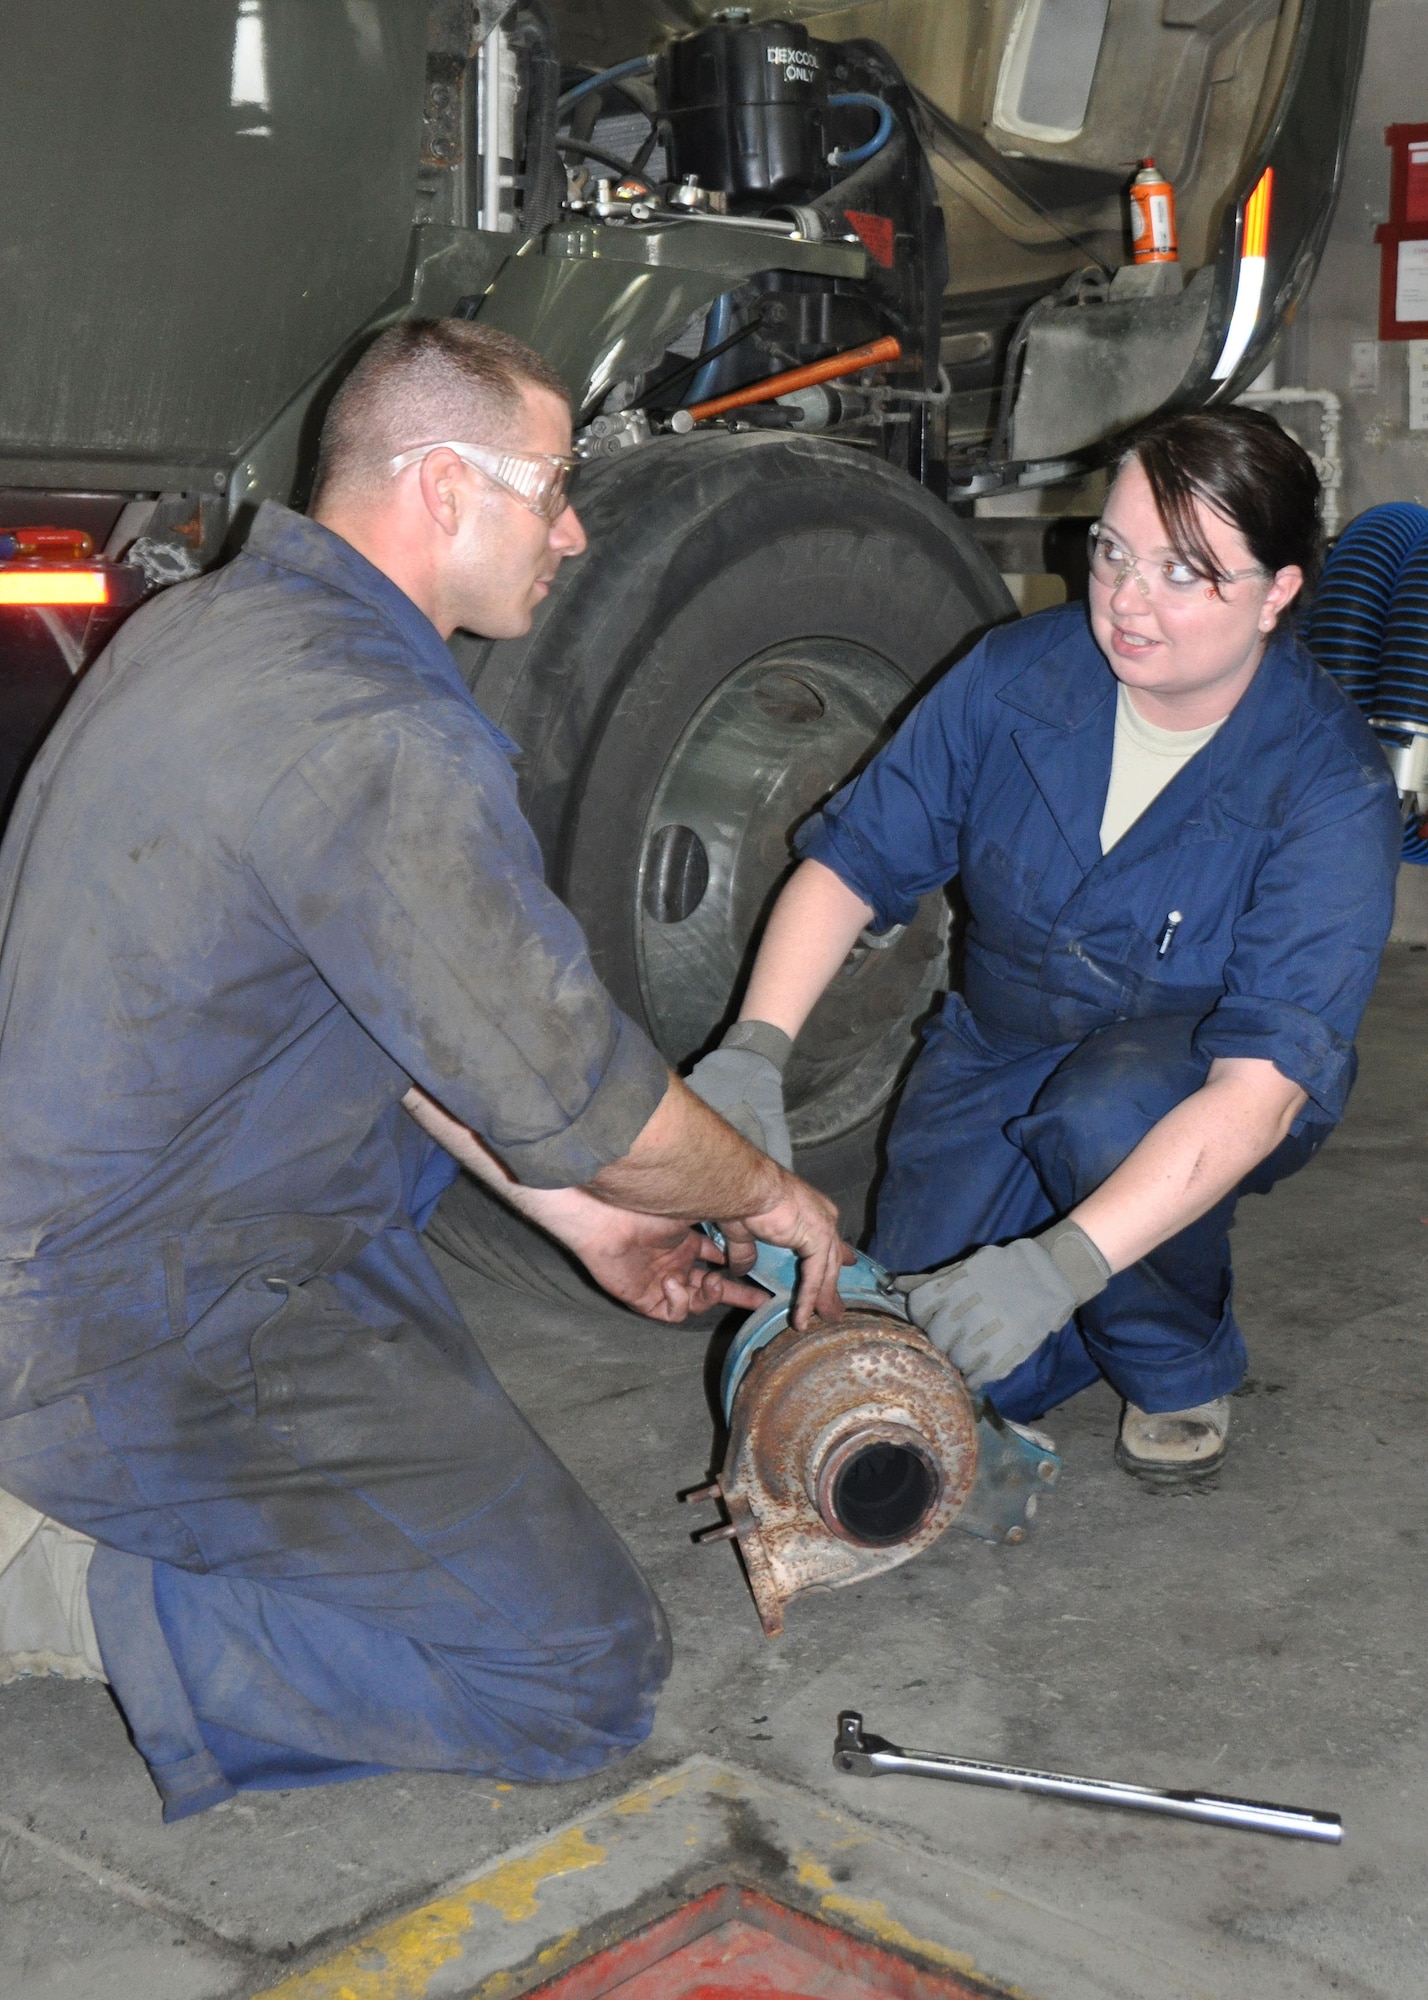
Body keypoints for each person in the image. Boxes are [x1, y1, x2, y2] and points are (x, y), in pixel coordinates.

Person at [0, 319, 848, 1820]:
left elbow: (394, 1013)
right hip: (145, 1318)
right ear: (446, 488)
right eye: (555, 486)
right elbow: (584, 1093)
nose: (575, 529)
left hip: (193, 1230)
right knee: (578, 1672)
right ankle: (57, 1589)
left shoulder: (217, 630)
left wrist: (589, 1220)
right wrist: (769, 1194)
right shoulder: (374, 735)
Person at [691, 408, 1401, 1484]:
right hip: (1001, 1041)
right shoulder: (1013, 678)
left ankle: (1174, 1359)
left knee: (1105, 1118)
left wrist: (1058, 1262)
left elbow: (1258, 1094)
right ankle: (1098, 1279)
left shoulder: (1329, 786)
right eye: (1112, 551)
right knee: (935, 1356)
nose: (1125, 599)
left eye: (1183, 572)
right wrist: (752, 1047)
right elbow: (852, 863)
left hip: (1191, 1074)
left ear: (1280, 591)